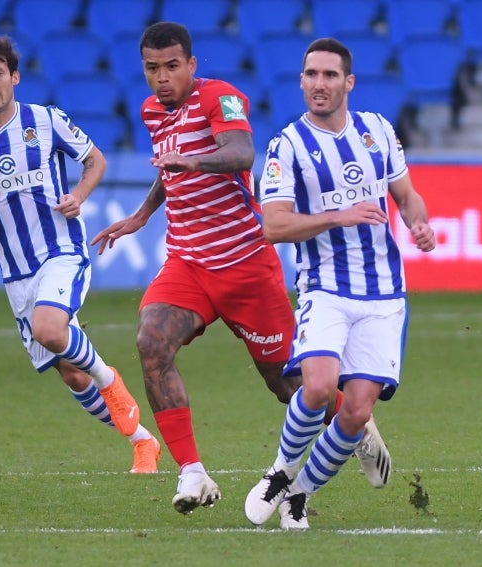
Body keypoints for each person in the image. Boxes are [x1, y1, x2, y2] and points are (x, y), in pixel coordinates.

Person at [91, 22, 342, 514]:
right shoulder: (151, 111)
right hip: (188, 263)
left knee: (286, 384)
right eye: (152, 68)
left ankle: (353, 421)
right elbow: (168, 169)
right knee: (151, 342)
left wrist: (193, 160)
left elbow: (240, 151)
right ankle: (192, 472)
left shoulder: (219, 98)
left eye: (172, 66)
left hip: (245, 263)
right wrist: (142, 214)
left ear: (191, 64)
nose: (162, 77)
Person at [0, 35, 161, 474]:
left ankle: (110, 381)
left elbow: (95, 160)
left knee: (50, 330)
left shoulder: (46, 120)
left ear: (14, 77)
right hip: (15, 272)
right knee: (72, 373)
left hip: (61, 250)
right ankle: (142, 441)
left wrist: (79, 196)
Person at [243, 37, 437, 530]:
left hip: (384, 293)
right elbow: (273, 225)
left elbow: (407, 195)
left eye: (330, 75)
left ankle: (300, 495)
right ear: (301, 81)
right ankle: (279, 473)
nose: (319, 84)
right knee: (319, 386)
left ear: (348, 82)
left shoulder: (378, 131)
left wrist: (418, 222)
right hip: (325, 287)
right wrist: (338, 215)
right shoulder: (287, 145)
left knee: (354, 414)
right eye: (311, 74)